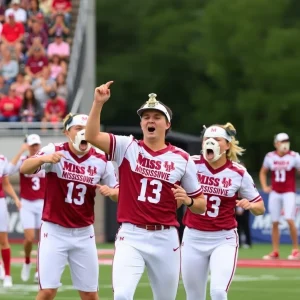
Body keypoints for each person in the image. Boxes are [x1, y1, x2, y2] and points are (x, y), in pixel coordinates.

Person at [85, 82, 206, 300]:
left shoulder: (182, 158)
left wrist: (187, 200)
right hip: (131, 234)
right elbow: (92, 136)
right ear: (141, 123)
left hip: (165, 236)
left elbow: (201, 205)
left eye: (156, 116)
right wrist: (98, 104)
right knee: (121, 295)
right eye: (146, 116)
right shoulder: (127, 146)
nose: (150, 120)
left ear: (167, 124)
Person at [20, 113, 119, 300]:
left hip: (83, 233)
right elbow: (25, 168)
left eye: (86, 129)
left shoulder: (101, 159)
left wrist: (114, 193)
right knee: (47, 292)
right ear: (67, 133)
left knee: (90, 294)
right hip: (55, 230)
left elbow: (118, 192)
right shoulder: (55, 150)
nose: (83, 133)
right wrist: (43, 159)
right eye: (78, 129)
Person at [181, 123, 265, 300]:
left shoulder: (238, 172)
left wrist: (250, 205)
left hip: (223, 238)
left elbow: (260, 207)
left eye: (216, 139)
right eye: (206, 139)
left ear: (227, 144)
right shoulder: (191, 163)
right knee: (194, 296)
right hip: (193, 236)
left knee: (218, 291)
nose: (210, 143)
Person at [8, 134, 45, 283]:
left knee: (43, 238)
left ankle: (39, 269)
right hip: (27, 203)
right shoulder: (24, 161)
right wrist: (20, 152)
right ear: (28, 146)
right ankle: (27, 261)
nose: (35, 148)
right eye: (32, 145)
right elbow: (9, 171)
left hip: (43, 202)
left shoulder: (44, 159)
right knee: (29, 238)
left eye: (37, 145)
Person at [259, 133, 300, 260]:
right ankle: (275, 251)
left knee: (289, 218)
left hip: (288, 192)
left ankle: (295, 249)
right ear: (276, 143)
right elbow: (263, 172)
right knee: (275, 221)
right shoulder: (270, 156)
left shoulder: (294, 156)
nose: (285, 143)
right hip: (275, 192)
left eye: (286, 141)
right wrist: (265, 186)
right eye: (282, 141)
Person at [0, 153, 21, 287]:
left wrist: (15, 198)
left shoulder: (2, 159)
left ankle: (8, 275)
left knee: (3, 239)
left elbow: (6, 184)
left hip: (0, 201)